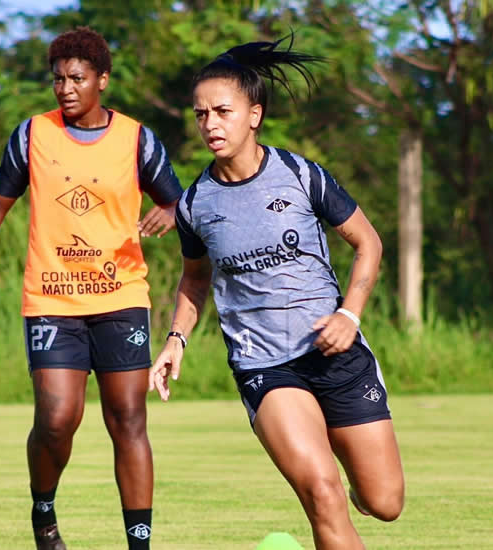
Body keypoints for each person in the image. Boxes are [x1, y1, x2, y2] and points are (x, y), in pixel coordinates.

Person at [149, 36, 404, 550]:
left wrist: (349, 316)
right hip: (265, 365)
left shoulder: (300, 175)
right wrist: (176, 338)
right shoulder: (196, 204)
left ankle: (359, 484)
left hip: (336, 354)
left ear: (254, 114)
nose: (211, 124)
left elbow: (368, 243)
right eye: (201, 114)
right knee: (322, 491)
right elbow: (195, 280)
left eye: (223, 111)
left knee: (384, 503)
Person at [0, 27, 182, 550]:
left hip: (121, 299)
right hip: (52, 300)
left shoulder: (138, 140)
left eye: (77, 78)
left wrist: (167, 209)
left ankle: (139, 544)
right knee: (57, 419)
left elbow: (179, 202)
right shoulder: (32, 135)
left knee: (127, 420)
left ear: (102, 79)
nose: (66, 88)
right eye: (58, 79)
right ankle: (44, 512)